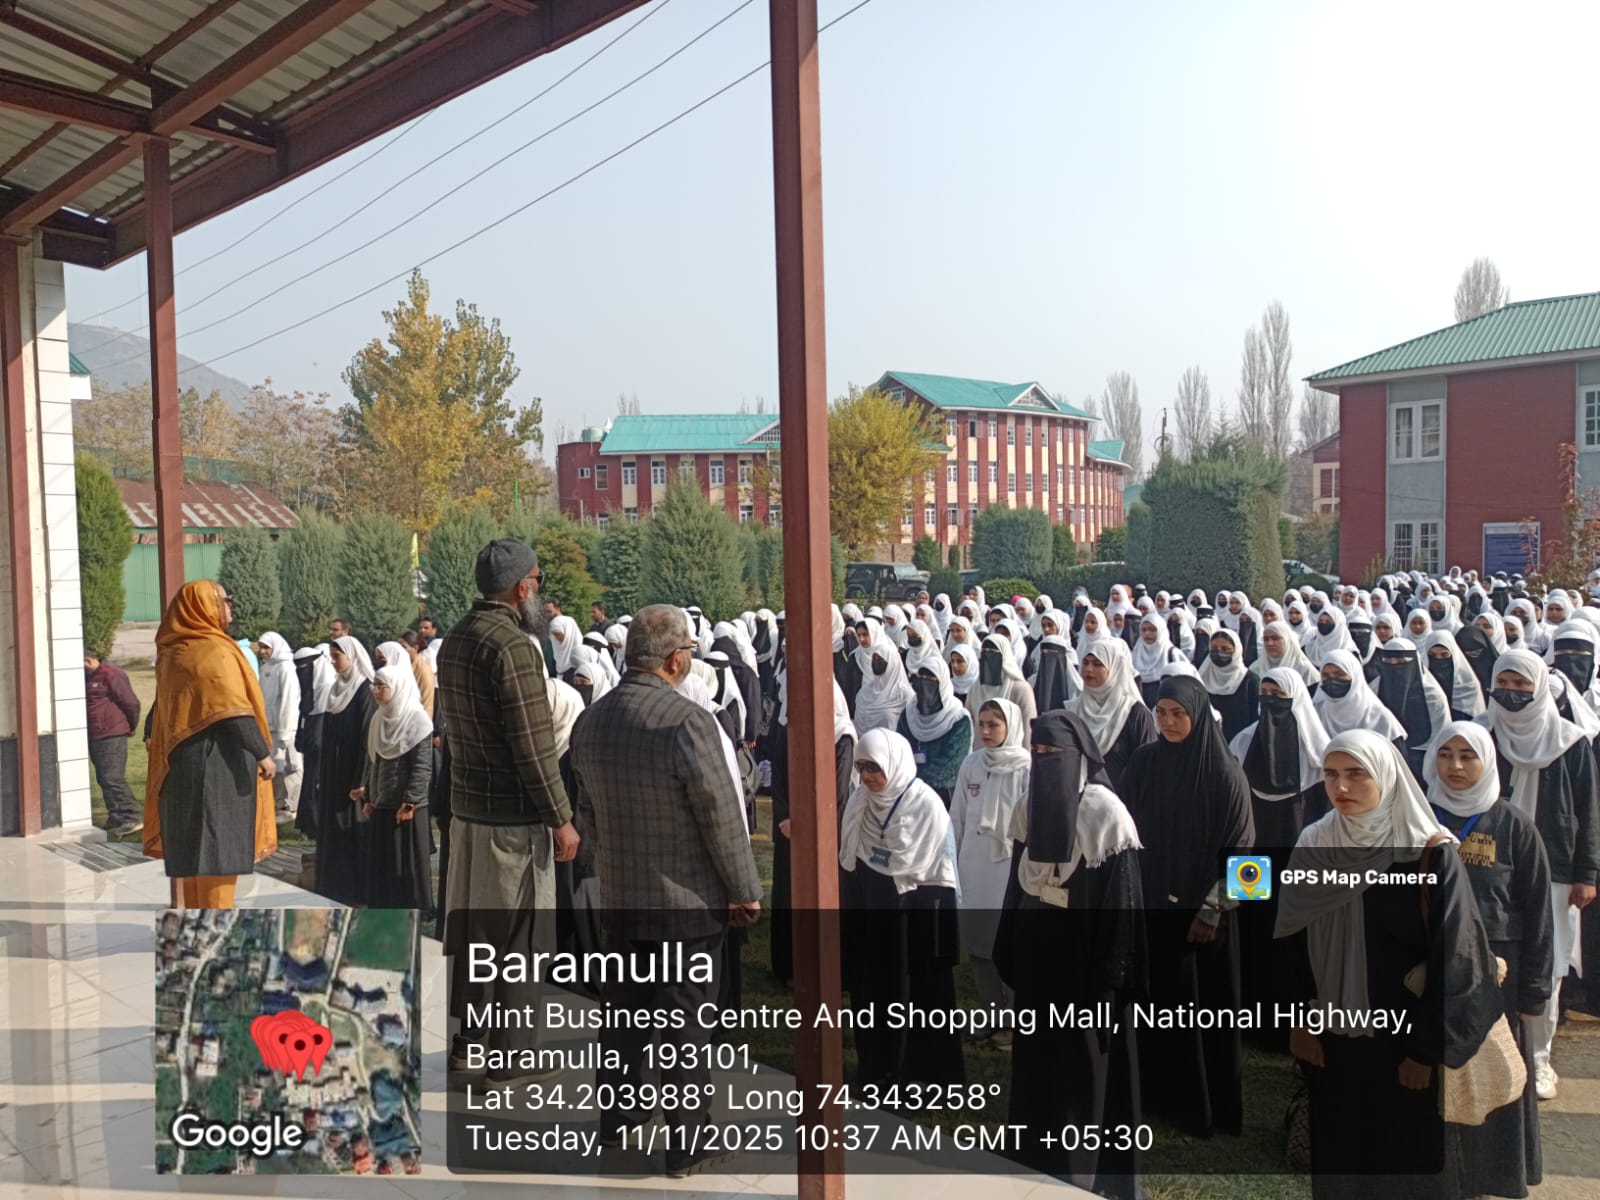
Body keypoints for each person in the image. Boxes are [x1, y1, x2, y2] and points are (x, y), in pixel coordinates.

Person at [569, 604, 761, 1176]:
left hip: (621, 896)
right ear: (677, 659)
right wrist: (744, 888)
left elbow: (588, 811)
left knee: (624, 1017)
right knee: (685, 1028)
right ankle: (688, 1142)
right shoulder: (686, 722)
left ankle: (620, 1118)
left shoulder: (592, 720)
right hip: (685, 904)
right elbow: (719, 814)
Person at [1275, 730, 1503, 1198]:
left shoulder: (1428, 853)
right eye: (1331, 774)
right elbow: (1289, 944)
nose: (1341, 787)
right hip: (1334, 1044)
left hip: (1403, 1048)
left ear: (1387, 776)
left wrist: (1425, 1052)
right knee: (1341, 1164)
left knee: (1405, 1168)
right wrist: (1298, 1022)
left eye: (1356, 774)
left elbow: (1457, 960)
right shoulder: (1314, 844)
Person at [437, 539, 580, 1086]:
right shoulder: (514, 646)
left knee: (476, 934)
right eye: (538, 580)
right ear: (522, 588)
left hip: (468, 814)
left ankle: (467, 1043)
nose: (540, 591)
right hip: (512, 821)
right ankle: (511, 1055)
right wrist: (561, 817)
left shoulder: (457, 637)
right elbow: (534, 746)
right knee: (519, 939)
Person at [995, 710, 1145, 1197]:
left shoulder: (1106, 816)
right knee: (1036, 1063)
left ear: (1078, 757)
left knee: (1083, 1069)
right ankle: (1031, 1157)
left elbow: (1121, 904)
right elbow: (1016, 888)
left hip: (1086, 967)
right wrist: (1009, 949)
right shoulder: (1029, 806)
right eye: (1036, 752)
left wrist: (1109, 977)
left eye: (1053, 753)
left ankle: (1080, 1172)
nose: (1044, 761)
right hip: (1039, 960)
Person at [1425, 721, 1554, 1197]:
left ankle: (1492, 1175)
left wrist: (1534, 993)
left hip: (1498, 977)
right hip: (1432, 969)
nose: (1455, 766)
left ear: (1488, 761)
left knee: (1496, 1074)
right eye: (1445, 755)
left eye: (1468, 756)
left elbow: (1539, 915)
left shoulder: (1514, 825)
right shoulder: (1418, 816)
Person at [1123, 675, 1254, 1138]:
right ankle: (1155, 1097)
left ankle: (1203, 1107)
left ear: (1198, 715)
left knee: (1203, 1015)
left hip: (1204, 922)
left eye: (1178, 713)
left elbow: (1249, 862)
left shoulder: (1225, 774)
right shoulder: (1145, 762)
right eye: (1161, 713)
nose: (1168, 722)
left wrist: (1212, 911)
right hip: (1152, 910)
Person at [1476, 649, 1600, 1101]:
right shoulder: (1482, 735)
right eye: (1503, 683)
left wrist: (1587, 873)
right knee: (1491, 958)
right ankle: (1490, 1052)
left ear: (1541, 688)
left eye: (1521, 684)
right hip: (1491, 867)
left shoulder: (1571, 742)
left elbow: (1589, 811)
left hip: (1555, 868)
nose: (1510, 692)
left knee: (1546, 967)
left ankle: (1539, 1059)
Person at [838, 728, 963, 1089]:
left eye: (874, 767)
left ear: (894, 764)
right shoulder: (860, 803)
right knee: (872, 993)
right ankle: (876, 1070)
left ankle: (916, 1077)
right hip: (873, 917)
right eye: (861, 768)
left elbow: (940, 873)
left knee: (915, 998)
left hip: (914, 921)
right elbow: (851, 860)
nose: (866, 777)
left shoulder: (925, 806)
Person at [141, 581, 278, 909]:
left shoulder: (174, 651)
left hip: (181, 766)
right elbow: (231, 710)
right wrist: (262, 754)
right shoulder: (213, 651)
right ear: (204, 606)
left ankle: (195, 923)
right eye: (224, 601)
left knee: (191, 852)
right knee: (218, 853)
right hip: (218, 766)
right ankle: (215, 925)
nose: (229, 607)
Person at [1229, 669, 1330, 1021]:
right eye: (1266, 694)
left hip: (1297, 853)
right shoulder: (1243, 741)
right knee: (1251, 923)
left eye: (1279, 695)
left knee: (1293, 930)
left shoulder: (1316, 751)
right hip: (1253, 853)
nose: (1271, 701)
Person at [950, 697, 1029, 1042]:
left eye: (993, 725)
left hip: (1008, 869)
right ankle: (990, 1013)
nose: (985, 731)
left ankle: (1014, 1021)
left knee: (1007, 943)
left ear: (1010, 726)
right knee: (979, 944)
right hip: (974, 866)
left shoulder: (1026, 767)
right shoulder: (972, 764)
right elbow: (957, 815)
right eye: (981, 724)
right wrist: (951, 860)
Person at [770, 678, 856, 987]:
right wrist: (785, 816)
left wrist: (808, 823)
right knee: (789, 893)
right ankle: (789, 966)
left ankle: (826, 966)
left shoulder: (842, 736)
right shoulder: (788, 726)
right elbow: (778, 777)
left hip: (824, 832)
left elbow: (838, 791)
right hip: (790, 829)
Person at [353, 663, 435, 909]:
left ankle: (413, 913)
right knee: (383, 868)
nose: (376, 692)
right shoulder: (379, 718)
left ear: (397, 687)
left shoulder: (417, 721)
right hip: (382, 803)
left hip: (405, 809)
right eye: (375, 686)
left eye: (382, 687)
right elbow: (375, 760)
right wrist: (369, 798)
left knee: (406, 868)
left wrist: (410, 803)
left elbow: (422, 767)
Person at [315, 635, 377, 906]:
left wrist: (361, 779)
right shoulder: (336, 688)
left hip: (352, 774)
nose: (333, 662)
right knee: (331, 828)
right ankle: (330, 887)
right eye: (331, 656)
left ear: (352, 656)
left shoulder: (364, 691)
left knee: (350, 829)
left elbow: (367, 739)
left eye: (337, 657)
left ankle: (352, 891)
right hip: (333, 771)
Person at [1065, 636, 1157, 796]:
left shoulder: (1135, 714)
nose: (1088, 669)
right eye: (1085, 663)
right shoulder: (1072, 711)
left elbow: (1148, 770)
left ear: (1115, 669)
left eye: (1097, 664)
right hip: (1081, 802)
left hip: (1123, 804)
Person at [897, 656, 972, 808]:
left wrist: (914, 780)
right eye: (921, 678)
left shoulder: (957, 719)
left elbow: (949, 768)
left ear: (942, 683)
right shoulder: (909, 714)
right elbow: (899, 750)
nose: (924, 684)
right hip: (907, 793)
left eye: (930, 679)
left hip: (943, 797)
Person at [1372, 636, 1451, 779]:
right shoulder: (1374, 688)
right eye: (1388, 661)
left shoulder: (1433, 696)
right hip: (1383, 755)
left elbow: (1440, 739)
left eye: (1401, 662)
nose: (1394, 666)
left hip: (1423, 757)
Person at [84, 651, 143, 837]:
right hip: (96, 734)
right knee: (103, 778)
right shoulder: (89, 677)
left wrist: (129, 726)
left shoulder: (111, 674)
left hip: (112, 733)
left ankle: (133, 816)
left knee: (113, 777)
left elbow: (132, 703)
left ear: (88, 660)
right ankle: (116, 815)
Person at [256, 632, 303, 818]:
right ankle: (278, 803)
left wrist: (285, 730)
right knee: (274, 766)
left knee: (291, 766)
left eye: (266, 647)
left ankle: (292, 805)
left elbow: (288, 701)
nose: (263, 651)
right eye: (261, 647)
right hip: (269, 727)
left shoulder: (286, 667)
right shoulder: (266, 667)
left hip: (286, 727)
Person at [291, 645, 334, 840]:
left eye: (305, 668)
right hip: (310, 746)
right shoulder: (309, 688)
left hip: (321, 748)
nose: (302, 672)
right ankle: (307, 825)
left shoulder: (327, 687)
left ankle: (317, 826)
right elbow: (305, 712)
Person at [852, 618, 915, 735]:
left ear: (892, 663)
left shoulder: (905, 696)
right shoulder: (863, 694)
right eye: (874, 659)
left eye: (880, 659)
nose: (861, 639)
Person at [967, 632, 1039, 729]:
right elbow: (969, 723)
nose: (987, 657)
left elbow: (1028, 726)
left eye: (992, 652)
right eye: (984, 652)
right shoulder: (975, 688)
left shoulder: (1021, 689)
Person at [1198, 627, 1259, 741]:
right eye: (1214, 648)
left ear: (1236, 651)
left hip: (1240, 744)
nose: (1219, 652)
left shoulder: (1250, 681)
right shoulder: (1203, 677)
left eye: (1225, 649)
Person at [1421, 629, 1485, 721]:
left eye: (1444, 655)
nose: (1438, 659)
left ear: (1454, 656)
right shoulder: (1421, 682)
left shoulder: (1469, 686)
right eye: (1432, 655)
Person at [1132, 613, 1184, 707]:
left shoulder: (1173, 654)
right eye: (1144, 630)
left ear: (1161, 630)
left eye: (1152, 629)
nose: (1147, 633)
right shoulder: (1135, 654)